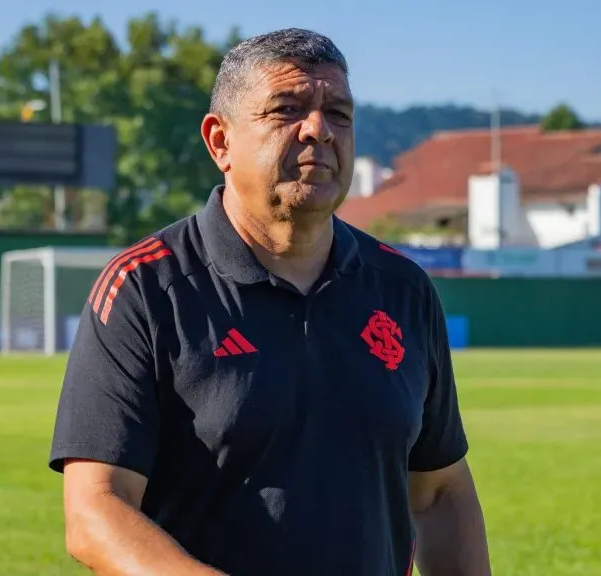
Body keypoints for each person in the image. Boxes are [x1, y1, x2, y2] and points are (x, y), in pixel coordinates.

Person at [48, 28, 492, 576]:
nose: (320, 130)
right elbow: (97, 509)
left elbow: (439, 492)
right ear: (220, 142)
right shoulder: (145, 289)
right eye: (287, 109)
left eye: (339, 113)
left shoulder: (402, 289)